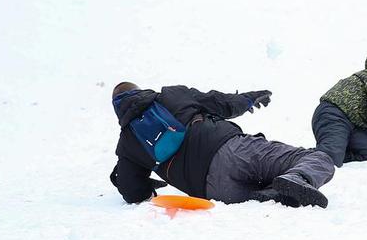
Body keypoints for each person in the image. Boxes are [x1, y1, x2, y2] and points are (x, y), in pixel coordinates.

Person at [110, 82, 333, 208]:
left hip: (210, 189)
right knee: (317, 158)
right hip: (234, 151)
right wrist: (248, 99)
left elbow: (131, 190)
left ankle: (270, 194)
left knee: (263, 199)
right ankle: (297, 177)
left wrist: (148, 185)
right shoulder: (170, 95)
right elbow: (219, 102)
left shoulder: (128, 142)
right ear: (139, 90)